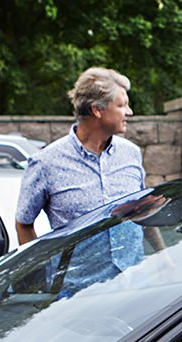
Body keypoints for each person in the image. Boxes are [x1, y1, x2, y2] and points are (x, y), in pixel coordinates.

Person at [15, 67, 142, 245]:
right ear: (97, 110)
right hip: (79, 273)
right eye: (122, 105)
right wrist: (40, 271)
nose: (129, 112)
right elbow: (23, 223)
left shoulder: (131, 154)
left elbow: (141, 213)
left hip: (134, 271)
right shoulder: (46, 163)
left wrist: (164, 258)